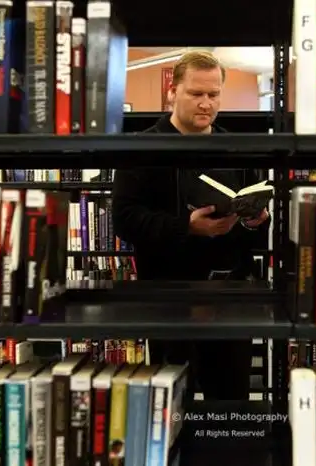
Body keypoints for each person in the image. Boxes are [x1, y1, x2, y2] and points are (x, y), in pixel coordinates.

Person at [111, 51, 271, 401]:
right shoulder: (140, 148)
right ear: (173, 91)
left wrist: (255, 221)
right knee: (169, 402)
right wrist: (186, 226)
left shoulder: (237, 148)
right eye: (196, 93)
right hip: (167, 294)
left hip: (230, 294)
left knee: (230, 404)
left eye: (213, 94)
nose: (206, 103)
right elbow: (124, 219)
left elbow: (256, 223)